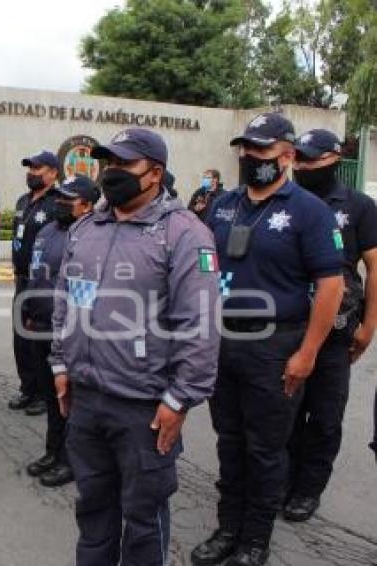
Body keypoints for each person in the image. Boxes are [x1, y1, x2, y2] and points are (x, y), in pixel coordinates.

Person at [50, 128, 220, 565]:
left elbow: (199, 324)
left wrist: (180, 399)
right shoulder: (88, 227)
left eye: (124, 165)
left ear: (155, 173)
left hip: (144, 407)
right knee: (93, 508)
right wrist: (60, 363)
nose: (112, 173)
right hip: (87, 398)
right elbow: (66, 300)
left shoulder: (184, 233)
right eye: (109, 164)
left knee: (143, 521)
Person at [192, 113, 345, 566]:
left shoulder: (308, 211)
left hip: (276, 346)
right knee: (229, 440)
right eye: (245, 148)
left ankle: (255, 538)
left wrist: (308, 353)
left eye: (259, 149)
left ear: (287, 155)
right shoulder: (223, 205)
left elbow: (331, 287)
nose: (248, 156)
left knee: (265, 447)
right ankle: (227, 527)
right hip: (224, 343)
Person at [282, 130, 377, 521]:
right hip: (287, 329)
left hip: (336, 332)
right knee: (285, 414)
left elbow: (374, 268)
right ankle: (283, 481)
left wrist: (368, 327)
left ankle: (307, 490)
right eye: (298, 159)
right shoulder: (282, 204)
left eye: (311, 159)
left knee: (323, 416)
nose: (302, 167)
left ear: (334, 159)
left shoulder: (357, 206)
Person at [22, 175, 98, 489]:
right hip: (38, 324)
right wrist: (27, 310)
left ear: (88, 205)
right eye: (60, 197)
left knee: (69, 399)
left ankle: (70, 460)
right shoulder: (48, 230)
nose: (61, 203)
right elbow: (35, 273)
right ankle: (53, 451)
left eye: (69, 199)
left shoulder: (90, 235)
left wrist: (72, 329)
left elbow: (83, 290)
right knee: (52, 400)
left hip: (66, 331)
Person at [9, 150, 60, 416]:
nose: (32, 172)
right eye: (30, 167)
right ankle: (27, 388)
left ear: (53, 172)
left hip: (42, 282)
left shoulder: (57, 202)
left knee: (40, 339)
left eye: (38, 168)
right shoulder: (23, 201)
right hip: (21, 279)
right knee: (21, 338)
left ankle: (44, 393)